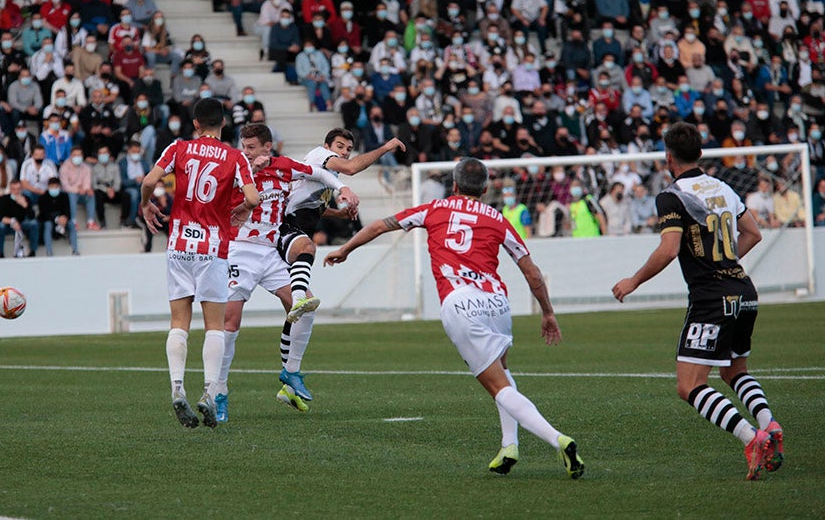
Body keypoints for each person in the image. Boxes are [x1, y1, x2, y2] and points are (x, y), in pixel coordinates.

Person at [325, 158, 584, 478]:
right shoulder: (498, 218)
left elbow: (380, 225)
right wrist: (547, 312)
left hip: (462, 304)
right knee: (502, 370)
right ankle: (509, 446)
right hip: (498, 303)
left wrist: (346, 249)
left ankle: (559, 441)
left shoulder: (435, 209)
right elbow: (531, 271)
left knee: (498, 386)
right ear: (486, 189)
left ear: (455, 185)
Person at [612, 122, 783, 481]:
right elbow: (753, 232)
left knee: (689, 385)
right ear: (701, 154)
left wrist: (633, 280)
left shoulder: (673, 195)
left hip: (711, 297)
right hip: (744, 291)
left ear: (668, 157)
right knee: (735, 371)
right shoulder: (722, 187)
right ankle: (770, 424)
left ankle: (752, 437)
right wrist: (725, 260)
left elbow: (670, 248)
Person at [215, 123, 358, 422]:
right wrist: (249, 167)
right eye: (244, 145)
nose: (246, 151)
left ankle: (290, 372)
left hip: (269, 252)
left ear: (268, 147)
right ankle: (219, 393)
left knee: (307, 306)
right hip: (241, 248)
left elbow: (317, 173)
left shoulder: (283, 167)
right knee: (230, 321)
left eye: (252, 147)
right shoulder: (238, 166)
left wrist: (341, 187)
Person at [140, 98, 260, 429]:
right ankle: (208, 392)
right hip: (213, 248)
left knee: (179, 321)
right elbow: (252, 198)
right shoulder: (235, 157)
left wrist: (146, 204)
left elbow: (149, 181)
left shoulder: (178, 148)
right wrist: (245, 210)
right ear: (223, 124)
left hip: (179, 245)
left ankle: (177, 387)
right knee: (214, 325)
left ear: (195, 124)